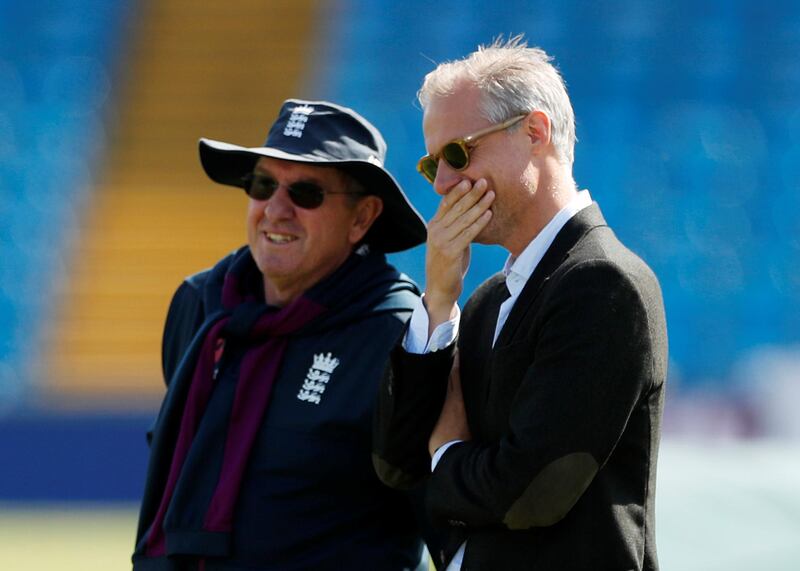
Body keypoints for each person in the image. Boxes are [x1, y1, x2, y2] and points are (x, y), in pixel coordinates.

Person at [373, 37, 668, 570]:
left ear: (534, 132)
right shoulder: (486, 302)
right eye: (430, 165)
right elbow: (396, 466)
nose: (442, 184)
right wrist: (438, 299)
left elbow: (532, 492)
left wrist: (447, 458)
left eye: (458, 153)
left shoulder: (603, 282)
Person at [132, 99, 431, 570]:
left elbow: (433, 508)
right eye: (262, 184)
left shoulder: (397, 333)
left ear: (362, 218)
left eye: (306, 193)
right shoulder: (201, 304)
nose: (275, 209)